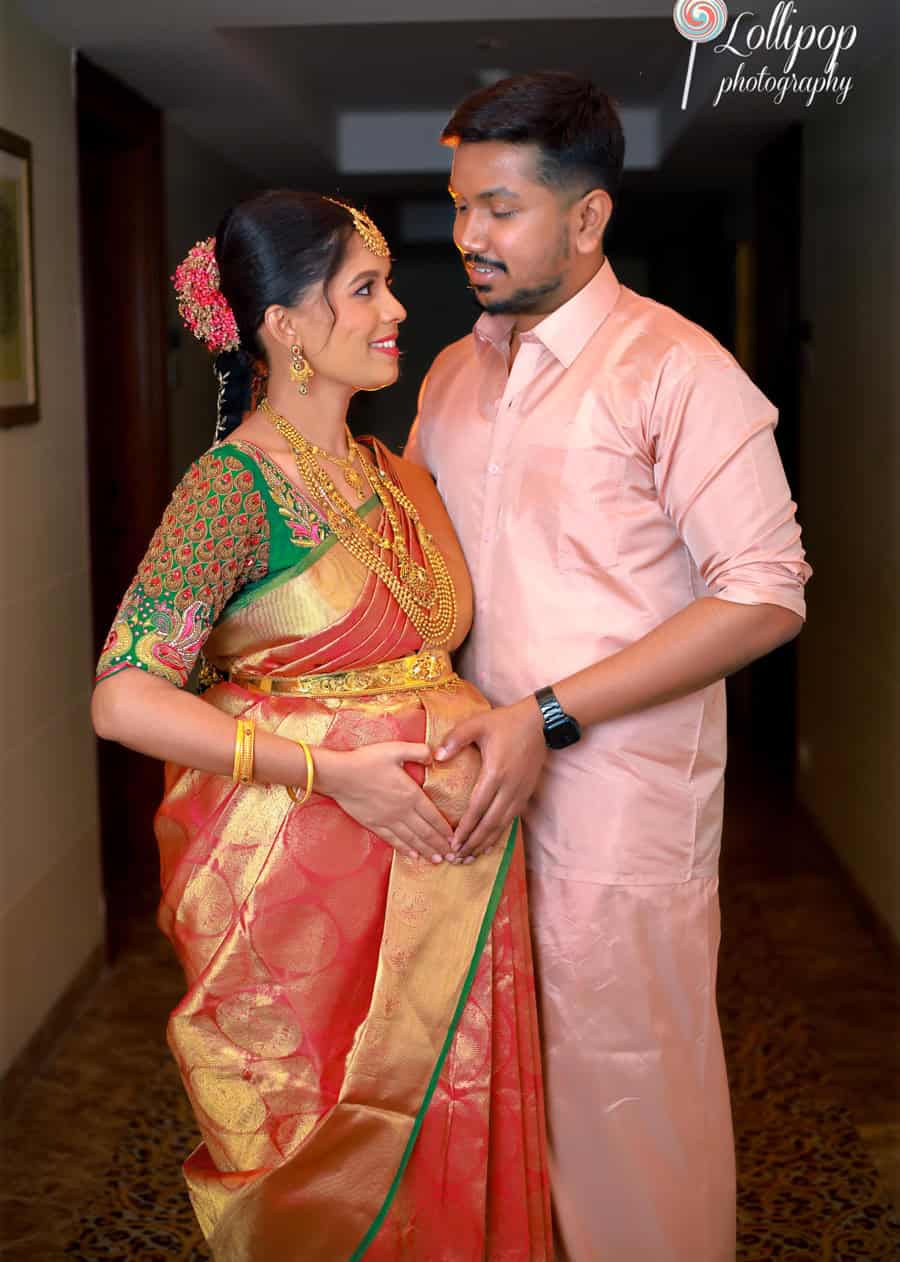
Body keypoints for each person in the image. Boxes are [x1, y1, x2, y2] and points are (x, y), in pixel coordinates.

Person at [91, 190, 552, 1262]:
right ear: (284, 327)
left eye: (386, 282)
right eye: (364, 287)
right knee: (333, 1178)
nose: (395, 308)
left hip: (454, 873)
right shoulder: (230, 490)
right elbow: (123, 694)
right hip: (306, 910)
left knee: (456, 1141)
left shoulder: (395, 476)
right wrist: (330, 770)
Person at [407, 73, 812, 1261]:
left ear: (588, 219)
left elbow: (765, 592)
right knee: (493, 1084)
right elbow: (414, 566)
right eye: (458, 205)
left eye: (499, 207)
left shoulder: (676, 371)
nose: (468, 236)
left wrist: (546, 713)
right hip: (476, 793)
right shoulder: (450, 375)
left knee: (627, 1094)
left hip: (619, 807)